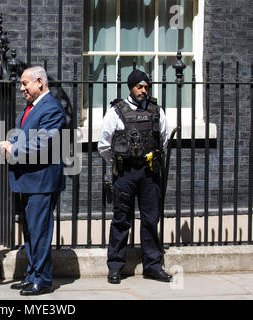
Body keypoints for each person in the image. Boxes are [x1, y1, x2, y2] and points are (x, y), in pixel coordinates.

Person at [97, 69, 172, 284]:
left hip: (149, 173)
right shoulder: (116, 111)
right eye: (140, 86)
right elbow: (103, 144)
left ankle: (152, 266)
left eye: (146, 86)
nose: (143, 90)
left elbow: (164, 140)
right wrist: (118, 163)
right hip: (126, 173)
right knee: (121, 220)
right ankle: (115, 267)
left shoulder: (157, 111)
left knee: (150, 220)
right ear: (131, 87)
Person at [0, 66, 67, 296]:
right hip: (28, 179)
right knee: (30, 232)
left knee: (39, 232)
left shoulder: (52, 109)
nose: (21, 88)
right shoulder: (31, 108)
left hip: (42, 181)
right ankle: (32, 275)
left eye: (24, 83)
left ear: (40, 82)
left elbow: (43, 143)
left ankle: (44, 279)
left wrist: (12, 148)